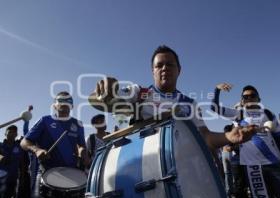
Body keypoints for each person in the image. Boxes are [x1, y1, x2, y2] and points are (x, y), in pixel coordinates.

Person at [88, 45, 257, 153]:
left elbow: (206, 138)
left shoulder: (190, 104)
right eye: (159, 65)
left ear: (179, 70)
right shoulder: (139, 92)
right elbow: (103, 102)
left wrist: (229, 137)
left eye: (170, 64)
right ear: (152, 71)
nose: (164, 68)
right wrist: (104, 91)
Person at [211, 83, 280, 198]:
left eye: (252, 96)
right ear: (242, 100)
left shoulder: (268, 114)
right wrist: (217, 89)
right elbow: (214, 108)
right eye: (245, 97)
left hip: (274, 163)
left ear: (259, 99)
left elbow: (278, 137)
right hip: (253, 167)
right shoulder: (238, 114)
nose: (249, 98)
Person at [20, 91, 89, 198]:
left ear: (72, 105)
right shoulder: (45, 121)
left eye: (68, 100)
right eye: (61, 100)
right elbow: (24, 142)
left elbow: (82, 145)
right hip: (46, 172)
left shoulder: (78, 124)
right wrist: (37, 150)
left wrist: (83, 153)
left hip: (71, 173)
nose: (64, 103)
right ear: (54, 105)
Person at [0, 125, 26, 198]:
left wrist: (22, 177)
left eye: (14, 132)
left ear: (16, 134)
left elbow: (22, 163)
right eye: (10, 132)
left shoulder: (19, 147)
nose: (12, 134)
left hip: (12, 179)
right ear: (5, 134)